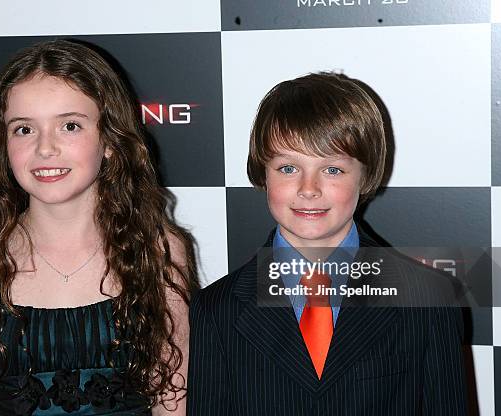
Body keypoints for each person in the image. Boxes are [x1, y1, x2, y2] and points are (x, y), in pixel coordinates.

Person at [0, 40, 197, 415]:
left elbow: (173, 403)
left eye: (70, 125)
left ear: (109, 140)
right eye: (24, 129)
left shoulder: (159, 251)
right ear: (3, 144)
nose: (45, 148)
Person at [187, 73, 468, 415]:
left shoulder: (429, 298)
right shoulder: (215, 310)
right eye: (288, 167)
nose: (309, 188)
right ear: (262, 173)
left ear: (366, 175)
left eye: (332, 170)